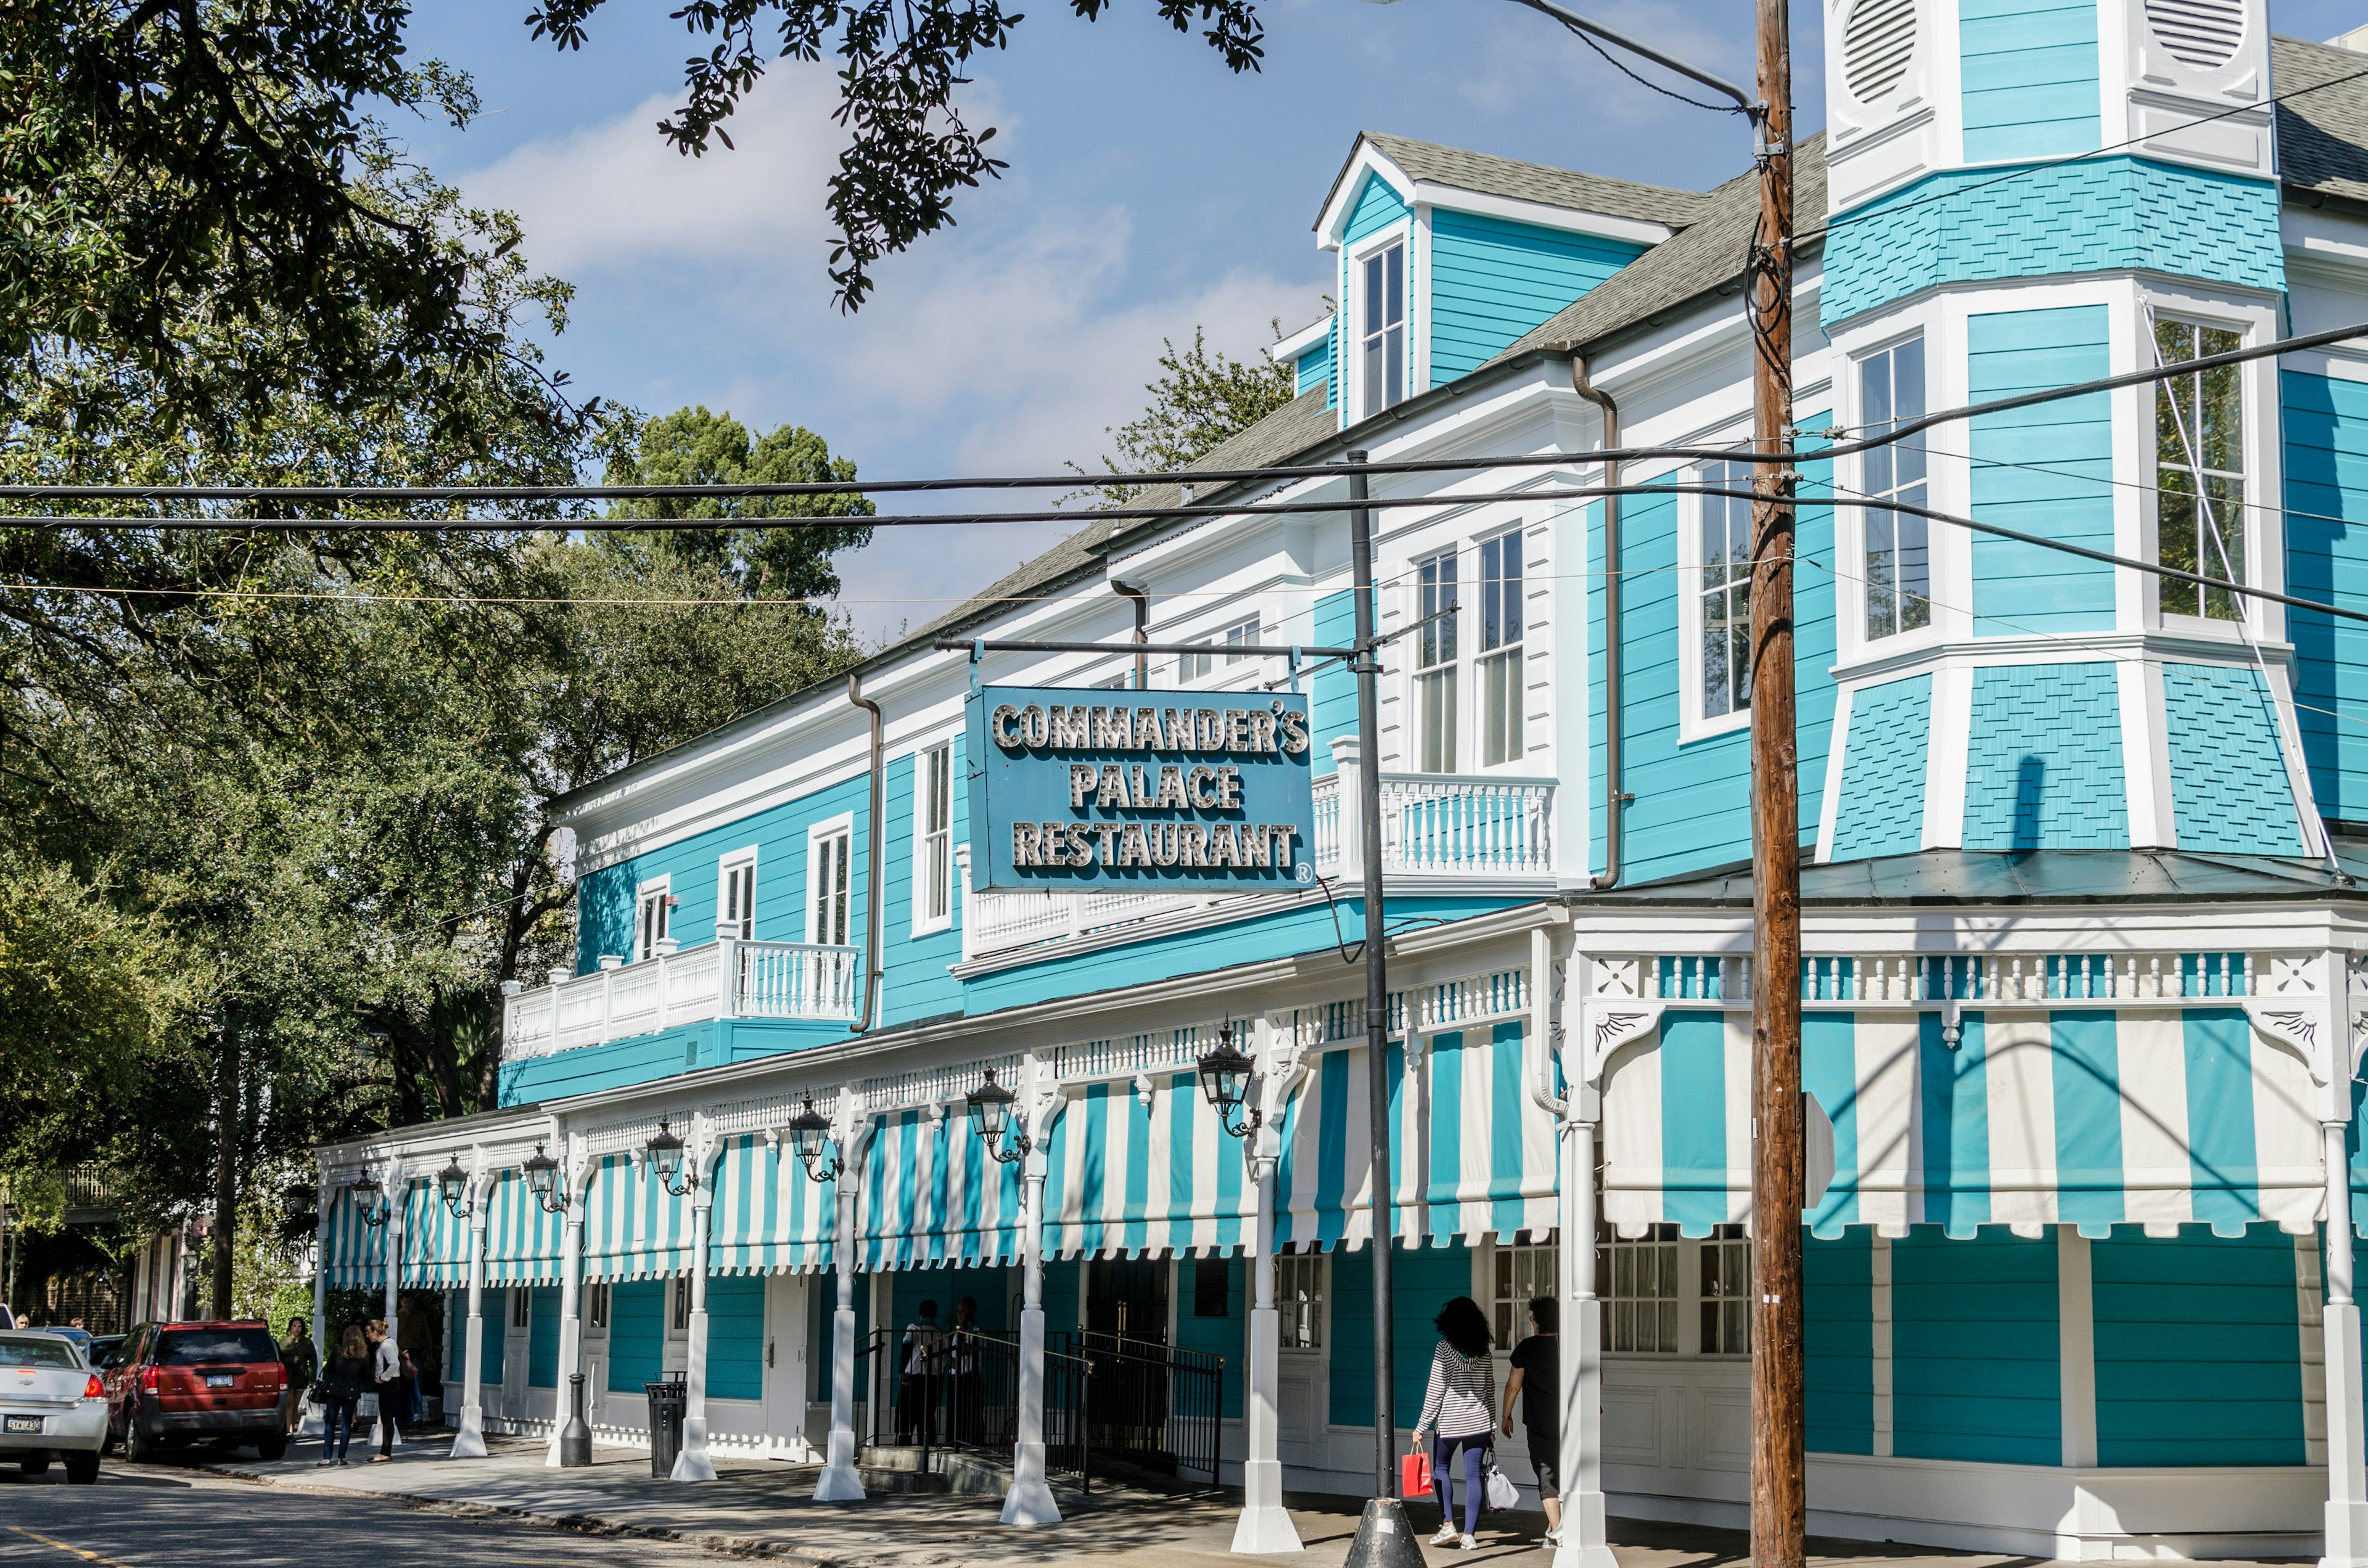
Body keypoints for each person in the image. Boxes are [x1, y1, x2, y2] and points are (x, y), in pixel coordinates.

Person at [1412, 1295, 1497, 1551]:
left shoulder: (1444, 1350)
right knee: (1473, 1476)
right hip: (1480, 1423)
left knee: (1441, 1468)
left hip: (1450, 1423)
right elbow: (1489, 1389)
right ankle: (1469, 1535)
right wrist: (1492, 1425)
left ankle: (1448, 1524)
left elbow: (1435, 1390)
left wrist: (1421, 1425)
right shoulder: (1484, 1352)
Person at [1502, 1297, 1561, 1547]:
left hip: (1541, 1421)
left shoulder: (1528, 1347)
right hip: (1574, 1420)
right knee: (1569, 1475)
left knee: (1547, 1475)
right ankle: (1553, 1529)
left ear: (1536, 1322)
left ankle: (1559, 1532)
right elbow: (1597, 1379)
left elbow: (1513, 1386)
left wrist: (1506, 1416)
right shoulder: (1570, 1345)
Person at [321, 1325, 372, 1467]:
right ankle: (341, 1457)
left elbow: (328, 1369)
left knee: (330, 1424)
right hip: (352, 1392)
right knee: (346, 1425)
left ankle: (326, 1457)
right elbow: (366, 1375)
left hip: (335, 1390)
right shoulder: (364, 1355)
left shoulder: (337, 1351)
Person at [898, 1300, 940, 1443]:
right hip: (934, 1378)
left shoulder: (914, 1328)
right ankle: (928, 1448)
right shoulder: (942, 1334)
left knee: (907, 1415)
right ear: (935, 1314)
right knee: (928, 1415)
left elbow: (907, 1347)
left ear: (920, 1314)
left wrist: (902, 1371)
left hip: (913, 1377)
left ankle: (904, 1444)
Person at [367, 1318, 406, 1461]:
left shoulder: (387, 1345)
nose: (368, 1335)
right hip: (389, 1383)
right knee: (386, 1418)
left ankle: (386, 1452)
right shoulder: (387, 1344)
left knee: (387, 1418)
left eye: (369, 1332)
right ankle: (385, 1451)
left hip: (389, 1384)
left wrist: (383, 1378)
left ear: (376, 1332)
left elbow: (394, 1364)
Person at [280, 1315, 319, 1437]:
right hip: (287, 1377)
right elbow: (279, 1359)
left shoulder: (307, 1343)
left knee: (295, 1405)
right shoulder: (284, 1342)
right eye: (294, 1326)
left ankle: (291, 1430)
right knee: (289, 1404)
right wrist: (290, 1360)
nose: (297, 1328)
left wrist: (312, 1379)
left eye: (300, 1326)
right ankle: (288, 1431)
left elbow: (313, 1361)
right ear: (291, 1328)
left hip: (301, 1378)